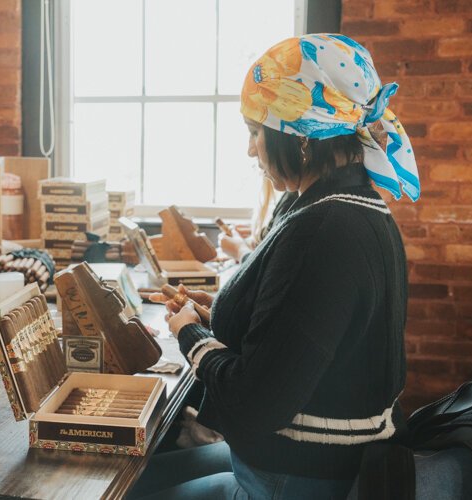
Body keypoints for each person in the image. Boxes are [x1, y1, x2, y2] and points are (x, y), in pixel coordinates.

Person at [132, 33, 420, 499]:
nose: (251, 150)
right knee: (144, 477)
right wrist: (219, 316)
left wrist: (190, 335)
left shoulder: (324, 228)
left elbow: (256, 403)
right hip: (305, 462)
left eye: (254, 132)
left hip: (301, 476)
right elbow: (301, 336)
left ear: (300, 136)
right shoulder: (345, 205)